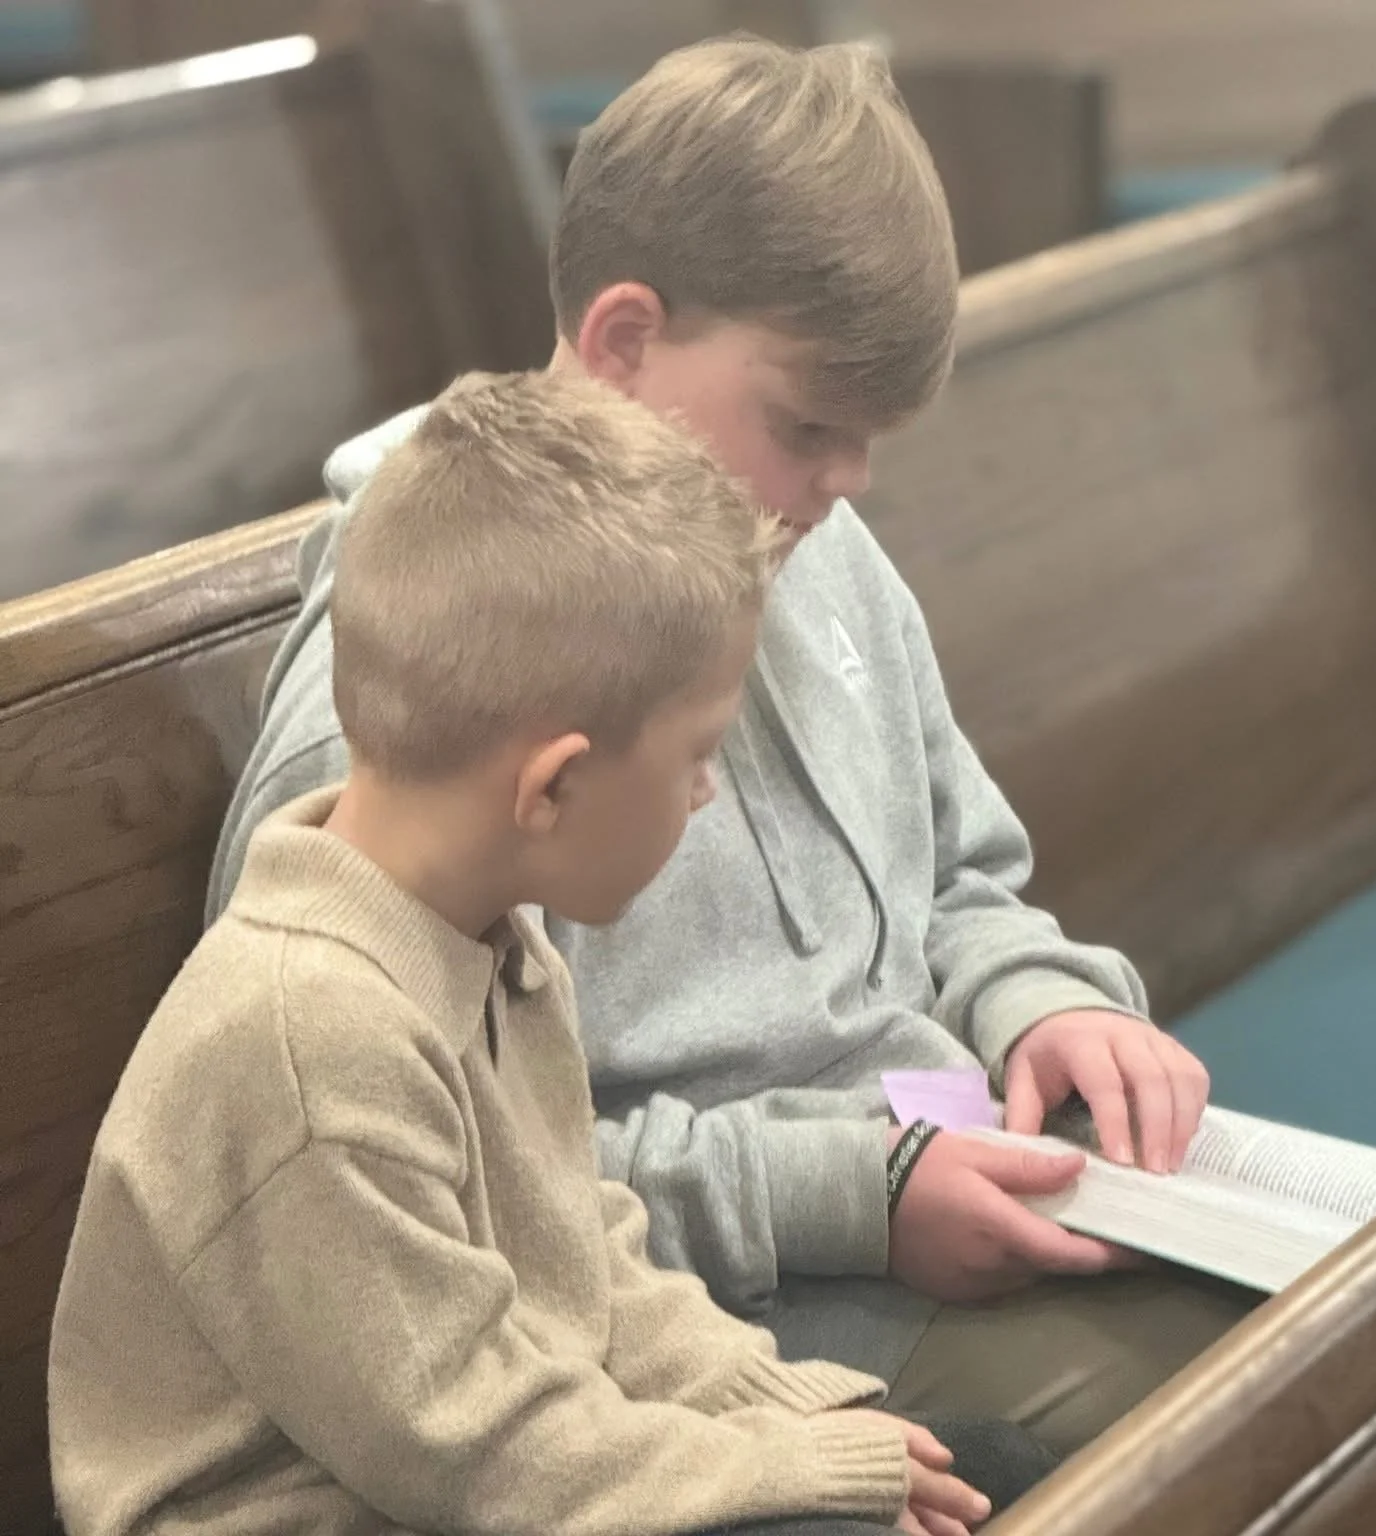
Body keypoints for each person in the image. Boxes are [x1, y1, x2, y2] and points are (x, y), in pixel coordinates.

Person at [205, 37, 1258, 1461]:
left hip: (941, 1167)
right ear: (625, 339)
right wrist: (851, 1198)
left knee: (1360, 1304)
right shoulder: (426, 669)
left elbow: (956, 873)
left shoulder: (806, 536)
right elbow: (434, 1179)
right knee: (1223, 1406)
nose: (848, 482)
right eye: (809, 424)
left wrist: (1039, 1003)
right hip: (710, 1321)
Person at [50, 370, 1063, 1536]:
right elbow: (478, 1451)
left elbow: (592, 1268)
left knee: (988, 1475)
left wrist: (793, 1414)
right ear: (555, 787)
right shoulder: (309, 1043)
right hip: (347, 1508)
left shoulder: (489, 942)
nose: (706, 792)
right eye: (697, 756)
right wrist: (797, 1472)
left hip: (480, 1469)